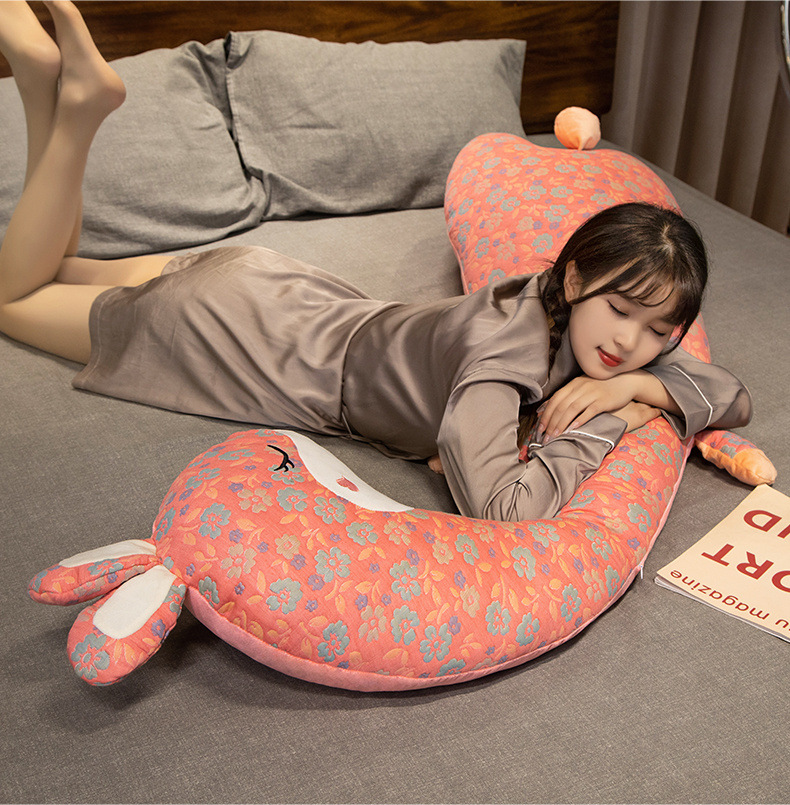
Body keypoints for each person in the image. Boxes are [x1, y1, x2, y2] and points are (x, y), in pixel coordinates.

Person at [0, 1, 752, 523]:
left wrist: (637, 386)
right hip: (249, 341)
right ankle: (74, 112)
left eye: (658, 332)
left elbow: (731, 393)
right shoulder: (506, 357)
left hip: (280, 290)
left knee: (50, 272)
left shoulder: (561, 307)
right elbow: (504, 509)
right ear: (578, 276)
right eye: (620, 311)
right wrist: (611, 420)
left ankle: (43, 87)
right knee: (11, 296)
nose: (628, 341)